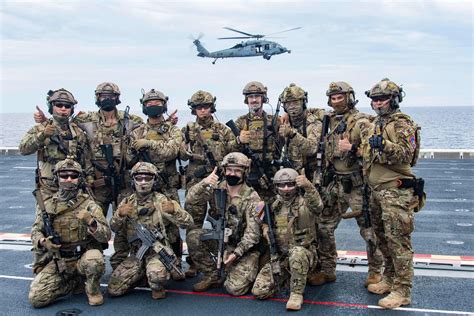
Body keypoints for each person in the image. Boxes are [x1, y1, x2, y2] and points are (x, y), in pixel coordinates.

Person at [310, 81, 383, 287]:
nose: (336, 101)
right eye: (333, 98)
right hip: (333, 182)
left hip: (357, 183)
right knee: (324, 226)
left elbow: (375, 152)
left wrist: (353, 148)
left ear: (350, 97)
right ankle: (327, 269)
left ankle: (376, 270)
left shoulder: (362, 122)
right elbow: (308, 111)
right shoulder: (328, 119)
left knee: (368, 228)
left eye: (340, 97)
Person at [363, 78, 423, 309]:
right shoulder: (375, 123)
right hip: (377, 192)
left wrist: (384, 145)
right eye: (374, 100)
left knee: (399, 241)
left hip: (396, 192)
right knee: (382, 238)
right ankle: (388, 278)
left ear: (395, 100)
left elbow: (407, 155)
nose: (378, 104)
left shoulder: (402, 124)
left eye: (382, 99)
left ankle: (402, 289)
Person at [20, 88, 93, 273]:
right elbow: (24, 148)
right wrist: (43, 135)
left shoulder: (77, 132)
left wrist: (89, 180)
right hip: (49, 188)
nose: (62, 109)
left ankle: (78, 267)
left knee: (76, 225)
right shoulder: (40, 129)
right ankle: (41, 264)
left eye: (67, 106)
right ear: (51, 107)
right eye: (58, 105)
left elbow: (86, 160)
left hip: (72, 186)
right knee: (44, 224)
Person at [28, 159, 111, 307]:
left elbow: (106, 236)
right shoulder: (47, 205)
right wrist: (42, 241)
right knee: (37, 298)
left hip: (82, 258)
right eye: (64, 176)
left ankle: (92, 290)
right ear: (56, 178)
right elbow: (35, 230)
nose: (68, 179)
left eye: (73, 176)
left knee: (95, 259)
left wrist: (91, 222)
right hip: (60, 260)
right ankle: (72, 283)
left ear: (79, 179)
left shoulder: (89, 205)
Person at [108, 162, 193, 299]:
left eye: (147, 178)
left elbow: (188, 223)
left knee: (156, 276)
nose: (143, 182)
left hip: (157, 253)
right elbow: (113, 228)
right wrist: (120, 215)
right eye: (139, 178)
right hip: (136, 255)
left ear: (154, 181)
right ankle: (142, 274)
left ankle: (156, 283)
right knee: (114, 289)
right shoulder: (126, 202)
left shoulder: (162, 201)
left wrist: (175, 211)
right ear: (133, 180)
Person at [185, 152, 263, 295]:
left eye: (237, 171)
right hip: (221, 240)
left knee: (234, 288)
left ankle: (246, 269)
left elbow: (253, 235)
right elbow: (191, 199)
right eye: (229, 170)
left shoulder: (252, 198)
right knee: (193, 236)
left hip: (243, 249)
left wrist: (235, 254)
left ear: (245, 172)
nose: (232, 174)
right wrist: (204, 183)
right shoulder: (216, 189)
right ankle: (212, 275)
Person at [128, 88, 185, 280]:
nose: (154, 106)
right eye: (149, 104)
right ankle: (144, 265)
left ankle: (175, 263)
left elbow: (172, 151)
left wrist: (149, 144)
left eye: (157, 103)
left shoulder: (173, 130)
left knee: (172, 226)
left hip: (167, 187)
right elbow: (129, 158)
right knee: (141, 224)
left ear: (164, 105)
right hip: (143, 187)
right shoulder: (137, 131)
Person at [179, 90, 235, 277]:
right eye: (198, 107)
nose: (203, 110)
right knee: (193, 223)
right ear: (193, 110)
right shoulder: (187, 130)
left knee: (221, 221)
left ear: (212, 107)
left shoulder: (223, 130)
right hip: (197, 183)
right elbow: (179, 153)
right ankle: (195, 262)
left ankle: (223, 257)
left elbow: (233, 153)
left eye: (206, 107)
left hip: (218, 182)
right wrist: (189, 154)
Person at [252, 168, 323, 311]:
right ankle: (290, 278)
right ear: (276, 187)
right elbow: (261, 219)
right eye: (281, 185)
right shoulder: (273, 206)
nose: (286, 189)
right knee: (259, 290)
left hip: (305, 254)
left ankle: (296, 293)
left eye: (290, 184)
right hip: (281, 257)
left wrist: (308, 186)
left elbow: (318, 206)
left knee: (297, 253)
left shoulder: (305, 203)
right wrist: (265, 227)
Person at [232, 81, 281, 204]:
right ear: (246, 100)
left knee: (270, 213)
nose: (254, 100)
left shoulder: (274, 121)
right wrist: (239, 140)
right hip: (247, 178)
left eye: (257, 96)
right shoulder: (239, 122)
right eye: (250, 97)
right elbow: (228, 150)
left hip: (269, 176)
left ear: (263, 98)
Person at [277, 83, 323, 180]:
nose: (292, 106)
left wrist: (291, 134)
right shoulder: (285, 122)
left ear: (303, 102)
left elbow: (312, 149)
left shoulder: (314, 123)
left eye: (295, 102)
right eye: (288, 103)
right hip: (291, 175)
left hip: (311, 177)